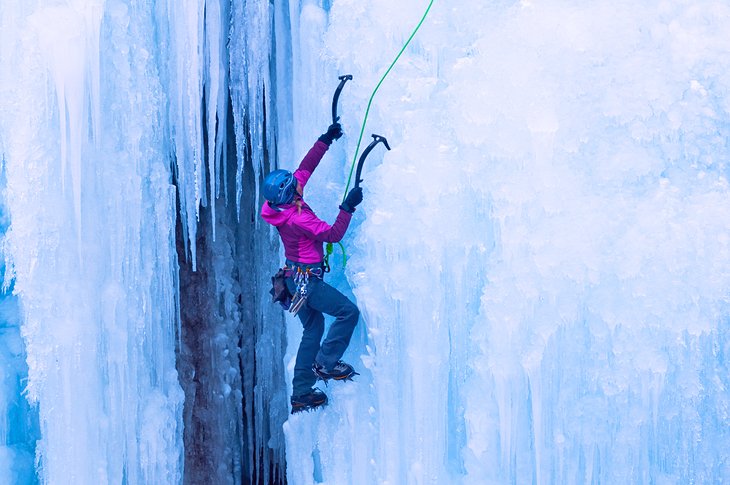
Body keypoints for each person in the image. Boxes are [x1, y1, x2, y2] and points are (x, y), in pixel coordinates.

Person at [260, 122, 363, 413]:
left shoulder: (280, 205)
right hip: (308, 283)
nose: (298, 186)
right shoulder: (297, 219)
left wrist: (325, 139)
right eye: (294, 188)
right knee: (348, 312)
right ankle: (326, 363)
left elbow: (306, 168)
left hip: (294, 281)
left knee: (313, 327)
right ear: (289, 194)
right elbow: (332, 235)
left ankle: (302, 392)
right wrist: (348, 208)